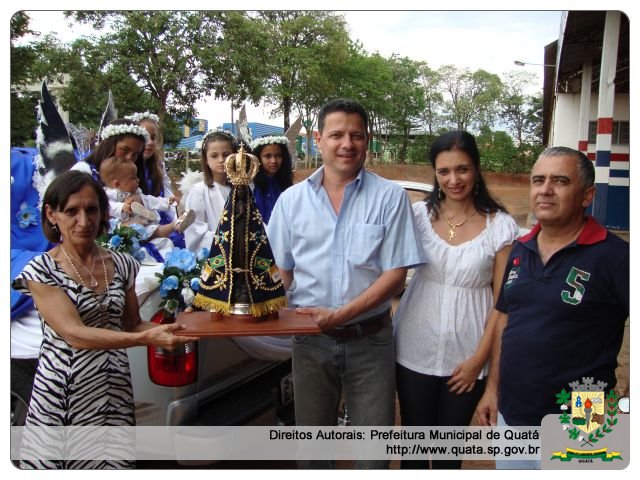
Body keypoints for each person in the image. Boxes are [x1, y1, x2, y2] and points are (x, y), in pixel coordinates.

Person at [267, 98, 426, 469]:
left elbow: (394, 276)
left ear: (367, 140)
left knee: (373, 456)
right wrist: (248, 303)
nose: (347, 144)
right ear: (319, 139)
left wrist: (339, 315)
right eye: (337, 134)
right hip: (310, 342)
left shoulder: (389, 198)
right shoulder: (292, 201)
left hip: (370, 342)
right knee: (313, 453)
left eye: (356, 135)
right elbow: (280, 272)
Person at [11, 171, 198, 469]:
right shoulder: (41, 270)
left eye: (91, 210)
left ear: (102, 213)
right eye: (71, 211)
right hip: (63, 396)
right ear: (52, 214)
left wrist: (184, 330)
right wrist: (146, 338)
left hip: (113, 393)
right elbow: (75, 334)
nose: (83, 221)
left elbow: (132, 323)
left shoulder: (122, 263)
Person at [475, 146, 629, 469]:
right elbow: (504, 320)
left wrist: (628, 401)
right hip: (513, 416)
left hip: (583, 420)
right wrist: (492, 389)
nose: (545, 190)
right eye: (538, 180)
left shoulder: (616, 257)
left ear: (587, 196)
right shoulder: (520, 249)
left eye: (560, 181)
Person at [393, 130, 519, 469]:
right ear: (434, 173)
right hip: (413, 347)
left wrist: (480, 360)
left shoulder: (501, 226)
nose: (454, 179)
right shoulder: (418, 216)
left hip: (468, 354)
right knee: (414, 450)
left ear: (477, 169)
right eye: (444, 171)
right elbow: (389, 273)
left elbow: (502, 302)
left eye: (462, 169)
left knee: (449, 453)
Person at [125, 111, 186, 247]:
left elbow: (167, 192)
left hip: (160, 213)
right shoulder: (126, 168)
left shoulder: (158, 165)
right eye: (144, 138)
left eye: (153, 138)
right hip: (134, 216)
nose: (150, 143)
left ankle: (176, 224)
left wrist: (174, 211)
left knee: (180, 240)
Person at [99, 156, 194, 239]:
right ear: (117, 184)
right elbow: (107, 206)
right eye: (133, 178)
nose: (138, 180)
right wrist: (121, 207)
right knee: (154, 231)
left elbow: (150, 200)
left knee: (155, 229)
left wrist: (166, 201)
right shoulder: (107, 194)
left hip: (140, 224)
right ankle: (174, 225)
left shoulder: (136, 192)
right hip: (121, 226)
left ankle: (176, 224)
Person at [183, 130, 236, 253]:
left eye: (226, 154)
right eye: (214, 155)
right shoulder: (199, 191)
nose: (221, 160)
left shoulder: (240, 189)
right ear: (206, 159)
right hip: (213, 256)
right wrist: (230, 241)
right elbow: (194, 231)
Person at [71, 118, 148, 183]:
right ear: (109, 145)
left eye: (135, 154)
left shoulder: (133, 177)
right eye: (124, 150)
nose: (129, 158)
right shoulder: (83, 171)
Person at [249, 135, 294, 223]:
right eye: (268, 156)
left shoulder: (285, 183)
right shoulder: (251, 186)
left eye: (278, 156)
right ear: (258, 158)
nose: (274, 161)